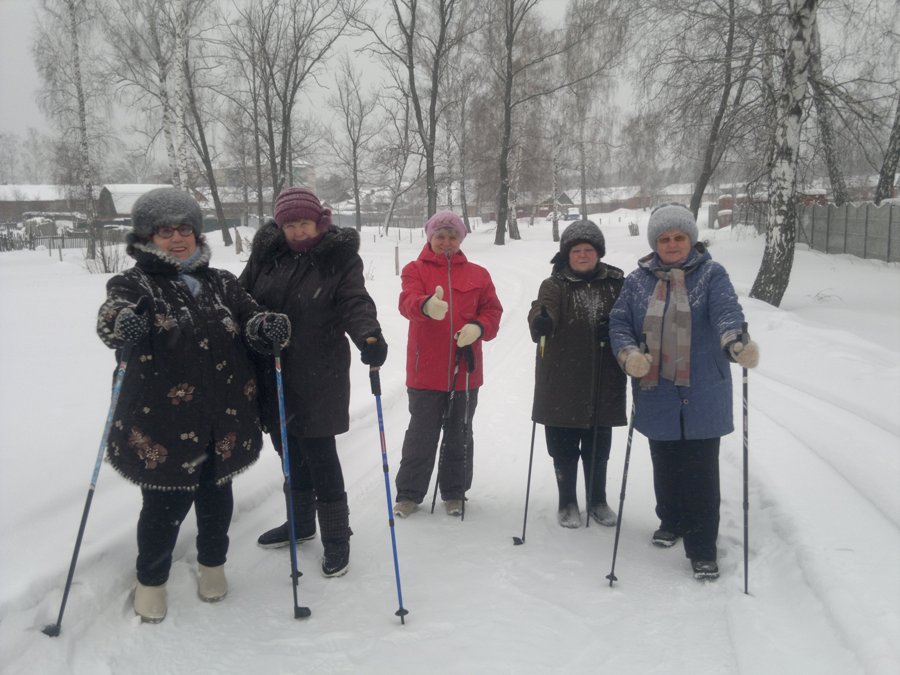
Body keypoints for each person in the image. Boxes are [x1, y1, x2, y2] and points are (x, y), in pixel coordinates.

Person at [96, 187, 290, 623]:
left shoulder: (221, 282)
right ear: (147, 237)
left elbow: (249, 315)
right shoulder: (134, 283)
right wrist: (123, 322)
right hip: (162, 421)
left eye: (184, 229)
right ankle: (151, 581)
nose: (177, 238)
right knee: (164, 505)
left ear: (197, 233)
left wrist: (265, 326)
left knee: (217, 497)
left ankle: (213, 566)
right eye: (165, 231)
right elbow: (113, 313)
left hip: (223, 417)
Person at [239, 186, 386, 578]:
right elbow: (241, 300)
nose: (298, 231)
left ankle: (337, 536)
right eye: (289, 225)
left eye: (304, 222)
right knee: (288, 451)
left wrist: (369, 336)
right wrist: (259, 324)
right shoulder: (266, 256)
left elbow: (354, 302)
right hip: (272, 371)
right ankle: (301, 523)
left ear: (319, 220)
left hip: (320, 372)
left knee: (320, 455)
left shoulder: (339, 258)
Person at [609, 203, 759, 580]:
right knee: (665, 462)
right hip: (655, 388)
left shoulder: (711, 275)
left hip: (702, 388)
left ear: (691, 239)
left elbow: (726, 312)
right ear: (654, 243)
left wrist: (735, 342)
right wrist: (628, 354)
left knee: (701, 472)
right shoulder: (637, 281)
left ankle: (702, 548)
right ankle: (671, 519)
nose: (672, 244)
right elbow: (619, 323)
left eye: (678, 237)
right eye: (664, 238)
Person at [393, 210, 503, 518]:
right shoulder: (415, 269)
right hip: (424, 371)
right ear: (430, 237)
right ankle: (409, 494)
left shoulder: (479, 274)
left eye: (452, 236)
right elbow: (406, 302)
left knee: (460, 434)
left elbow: (492, 312)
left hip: (466, 371)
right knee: (421, 435)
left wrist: (479, 327)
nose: (446, 242)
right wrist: (425, 305)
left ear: (461, 239)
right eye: (440, 236)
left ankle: (455, 492)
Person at [528, 220, 627, 528]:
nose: (583, 255)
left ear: (598, 253)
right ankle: (567, 501)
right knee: (563, 447)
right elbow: (542, 308)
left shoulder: (616, 283)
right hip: (562, 379)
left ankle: (597, 500)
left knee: (598, 446)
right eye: (576, 250)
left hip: (604, 378)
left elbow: (630, 318)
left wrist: (615, 329)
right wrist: (541, 321)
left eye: (588, 250)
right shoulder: (554, 284)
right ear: (566, 255)